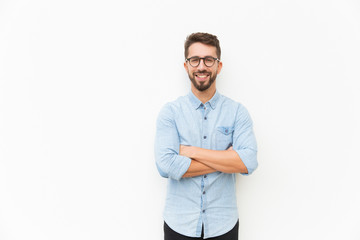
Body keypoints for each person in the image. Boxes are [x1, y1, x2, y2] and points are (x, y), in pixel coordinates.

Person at [155, 32, 258, 240]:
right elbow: (165, 165)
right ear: (186, 66)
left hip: (224, 225)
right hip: (179, 224)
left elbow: (248, 162)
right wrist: (227, 159)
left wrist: (191, 152)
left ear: (218, 66)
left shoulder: (237, 112)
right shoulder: (171, 113)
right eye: (195, 60)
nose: (202, 66)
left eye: (208, 60)